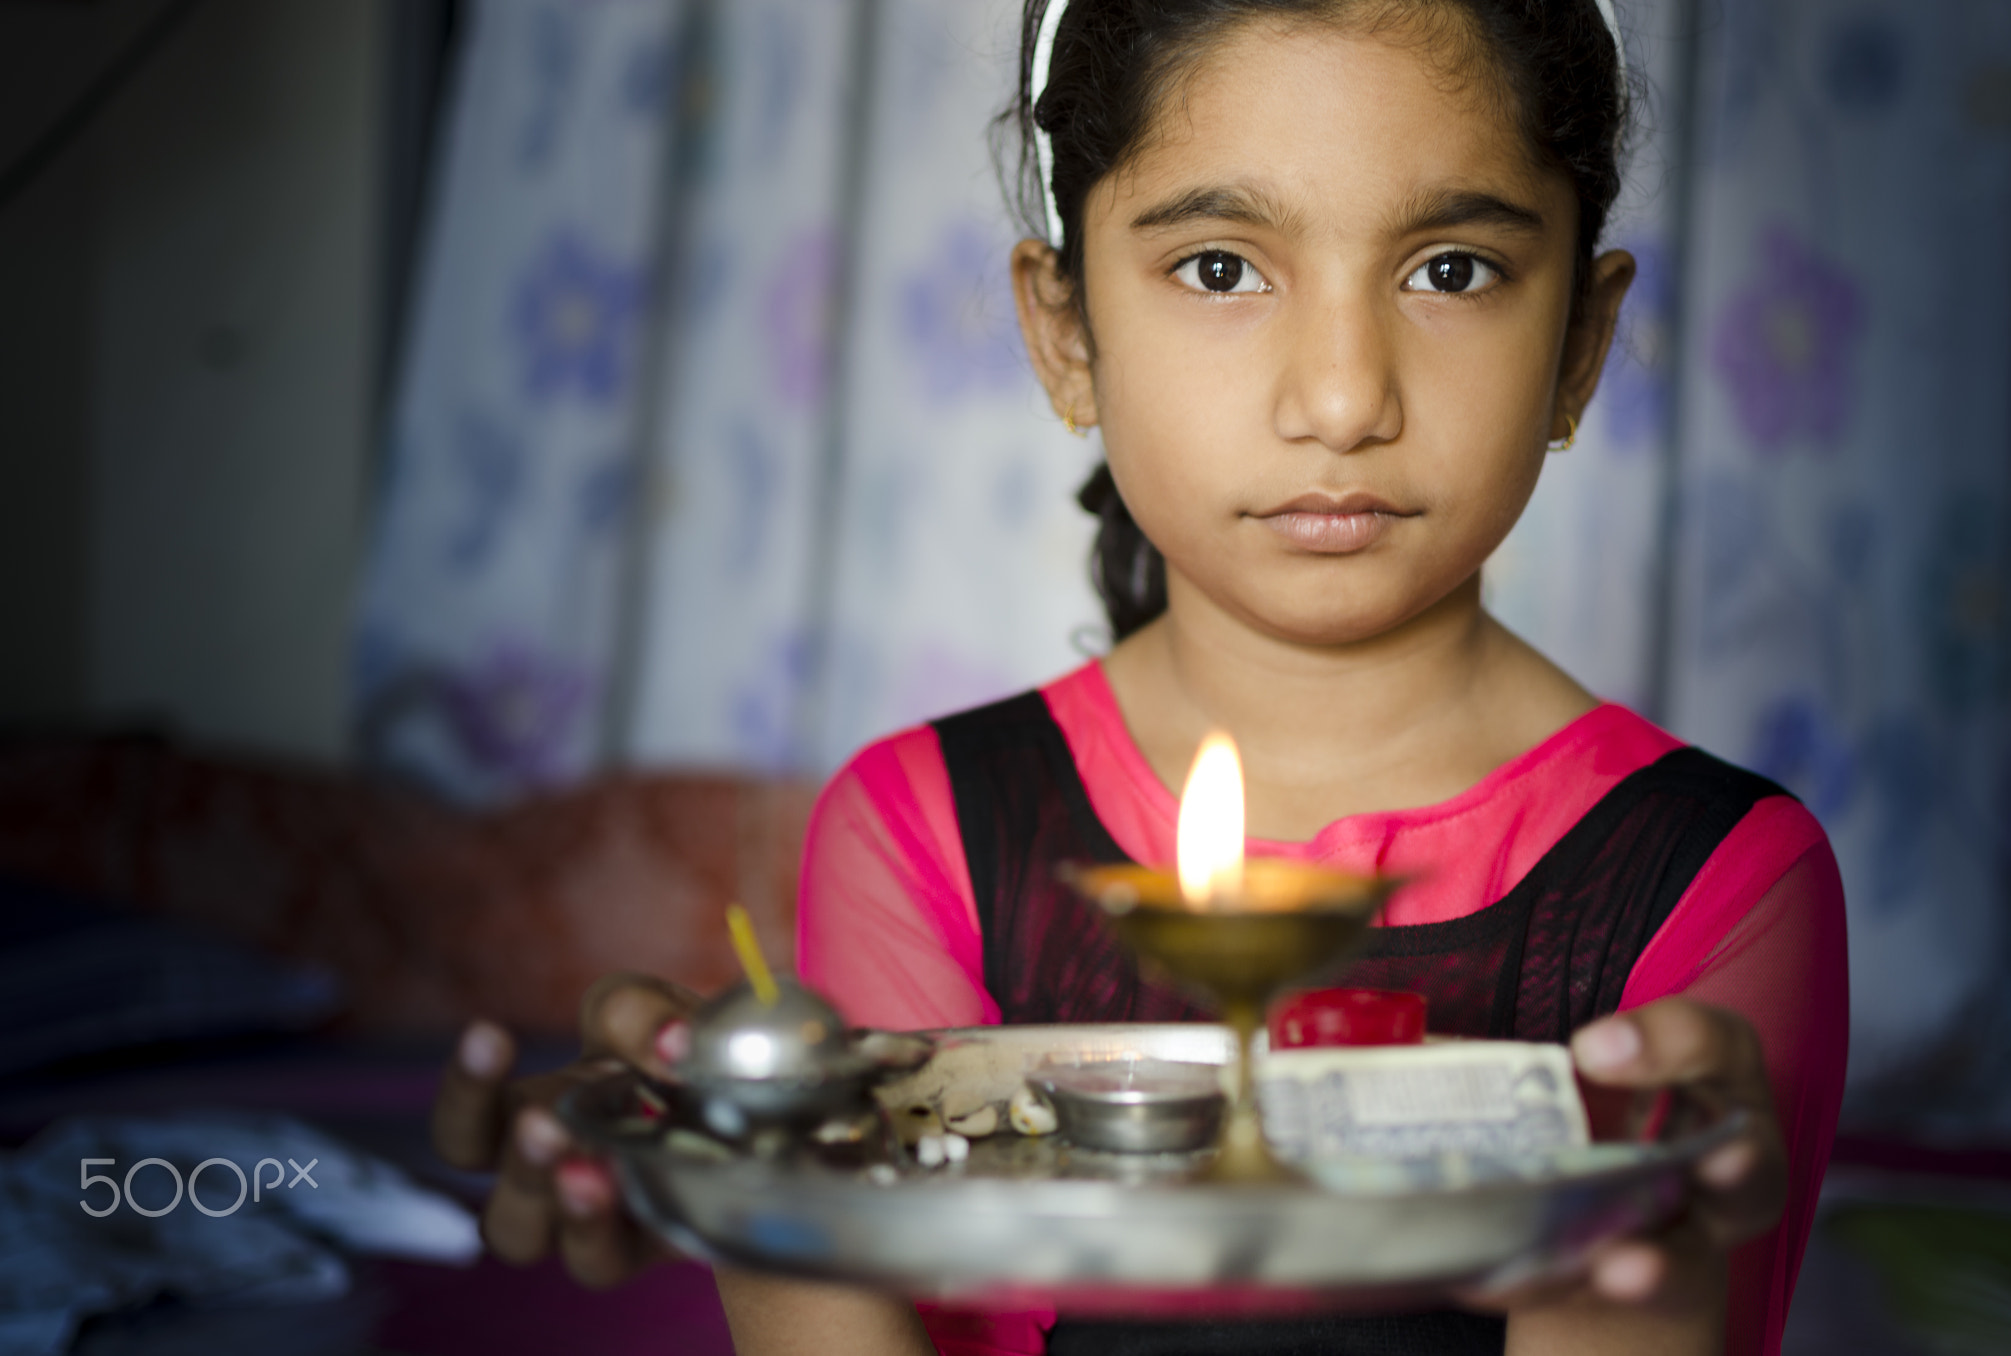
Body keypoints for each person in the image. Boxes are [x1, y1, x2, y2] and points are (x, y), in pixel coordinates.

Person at [432, 1, 1849, 1353]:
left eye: (1451, 270)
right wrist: (759, 1184)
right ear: (1066, 335)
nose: (1344, 398)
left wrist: (1636, 1240)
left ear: (1580, 347)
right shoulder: (925, 828)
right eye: (1222, 267)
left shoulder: (1720, 880)